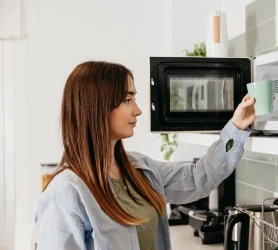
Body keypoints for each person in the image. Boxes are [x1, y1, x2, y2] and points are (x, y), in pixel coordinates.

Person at [34, 61, 257, 250]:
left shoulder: (140, 169)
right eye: (127, 100)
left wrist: (236, 127)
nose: (138, 110)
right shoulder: (65, 193)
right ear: (97, 108)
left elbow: (201, 176)